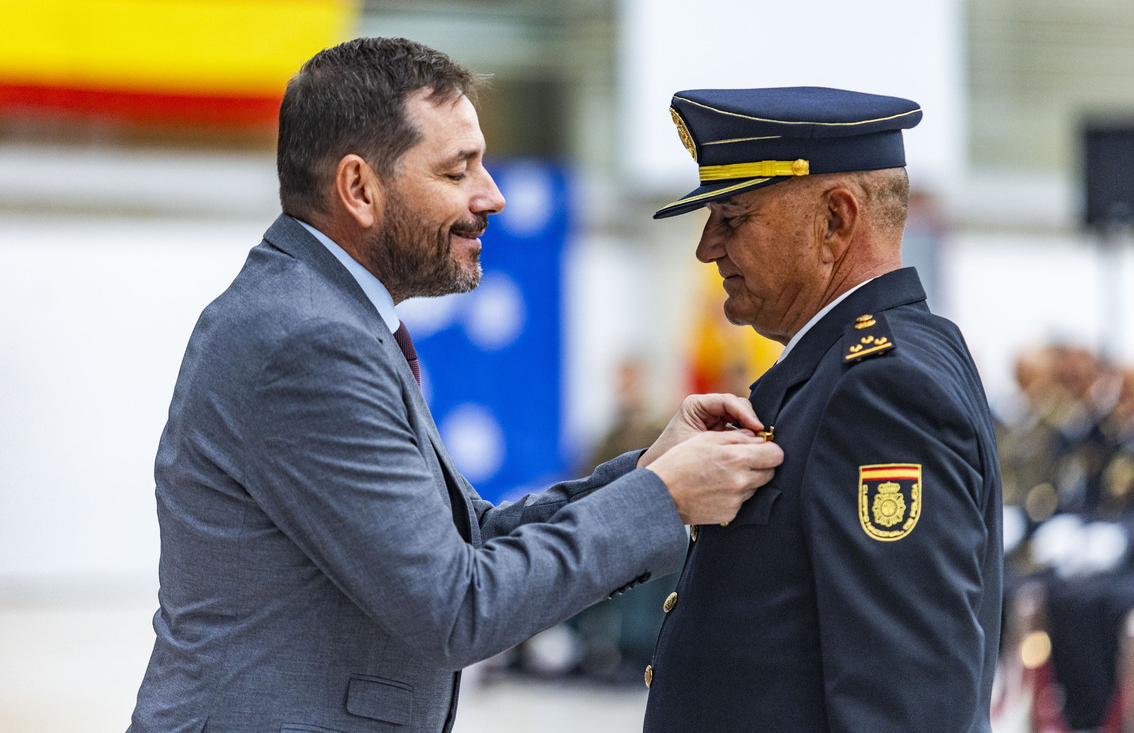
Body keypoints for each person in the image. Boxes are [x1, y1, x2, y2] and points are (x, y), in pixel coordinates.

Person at [127, 38, 782, 733]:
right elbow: (456, 605)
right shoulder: (309, 342)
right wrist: (666, 498)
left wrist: (651, 470)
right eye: (457, 169)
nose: (491, 195)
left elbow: (469, 539)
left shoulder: (328, 318)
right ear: (359, 189)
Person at [642, 87, 1003, 732]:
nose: (707, 248)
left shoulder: (880, 390)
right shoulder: (849, 369)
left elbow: (906, 704)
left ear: (835, 220)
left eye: (733, 217)